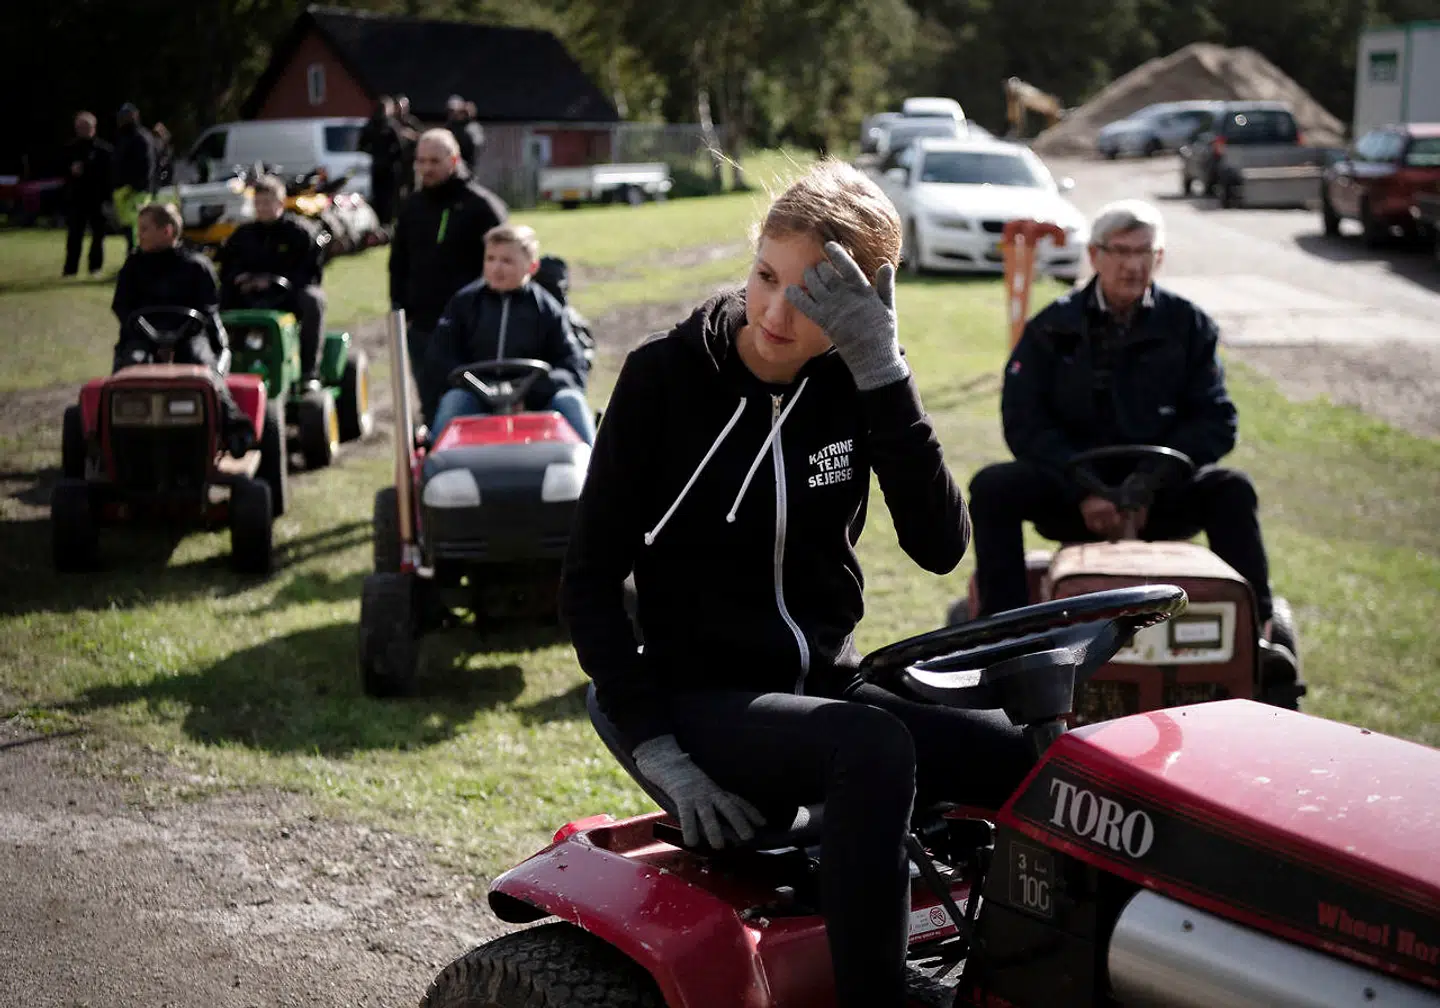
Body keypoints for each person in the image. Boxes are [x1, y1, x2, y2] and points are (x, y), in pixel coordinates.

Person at [559, 159, 1032, 1008]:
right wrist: (660, 745)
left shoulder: (856, 384)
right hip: (699, 696)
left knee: (1029, 752)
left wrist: (882, 367)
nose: (775, 312)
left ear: (861, 306)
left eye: (812, 297)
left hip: (822, 685)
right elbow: (588, 580)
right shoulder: (663, 378)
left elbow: (939, 547)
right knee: (870, 748)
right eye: (765, 277)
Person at [967, 199, 1293, 674]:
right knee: (994, 487)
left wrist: (1147, 485)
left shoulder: (1189, 326)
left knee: (1232, 489)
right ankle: (1008, 639)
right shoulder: (1051, 328)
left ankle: (1259, 639)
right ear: (1094, 256)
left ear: (1158, 259)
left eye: (1144, 252)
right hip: (1073, 497)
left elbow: (1217, 420)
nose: (1132, 264)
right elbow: (1024, 422)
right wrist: (1085, 489)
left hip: (1159, 498)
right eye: (1119, 251)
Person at [425, 224, 594, 444]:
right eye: (490, 259)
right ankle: (435, 469)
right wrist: (477, 387)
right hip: (474, 395)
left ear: (532, 266)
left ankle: (595, 471)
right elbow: (441, 356)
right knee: (454, 402)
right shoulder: (464, 304)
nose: (496, 268)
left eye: (507, 261)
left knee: (571, 401)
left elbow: (571, 363)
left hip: (534, 398)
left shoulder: (547, 309)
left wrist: (531, 392)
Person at [111, 203, 253, 455]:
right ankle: (111, 434)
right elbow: (122, 307)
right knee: (131, 366)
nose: (139, 234)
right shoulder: (133, 266)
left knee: (202, 366)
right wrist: (145, 331)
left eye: (145, 229)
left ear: (167, 231)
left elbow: (208, 309)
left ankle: (232, 424)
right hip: (142, 337)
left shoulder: (196, 266)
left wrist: (179, 336)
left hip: (189, 335)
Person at [388, 128, 508, 421]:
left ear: (453, 160)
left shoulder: (482, 207)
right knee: (432, 408)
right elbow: (398, 262)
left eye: (434, 161)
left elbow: (505, 264)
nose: (426, 168)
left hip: (472, 328)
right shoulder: (411, 207)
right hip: (424, 327)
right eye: (421, 161)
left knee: (474, 404)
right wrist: (401, 307)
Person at [217, 173, 328, 385]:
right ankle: (222, 363)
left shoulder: (300, 233)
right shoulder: (242, 235)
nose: (262, 208)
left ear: (281, 202)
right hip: (248, 294)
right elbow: (227, 268)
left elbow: (310, 272)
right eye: (258, 203)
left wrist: (275, 281)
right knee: (215, 301)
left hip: (288, 294)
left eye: (267, 202)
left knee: (313, 300)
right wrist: (241, 279)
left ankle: (309, 372)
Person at [62, 111, 113, 277]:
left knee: (98, 235)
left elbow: (109, 175)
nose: (82, 130)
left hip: (97, 199)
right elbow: (60, 173)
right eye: (79, 127)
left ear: (93, 127)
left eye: (85, 126)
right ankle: (70, 269)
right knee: (74, 236)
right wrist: (70, 171)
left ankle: (95, 267)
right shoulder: (70, 149)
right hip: (76, 199)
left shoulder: (104, 150)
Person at [112, 103, 157, 256]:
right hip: (124, 191)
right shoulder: (124, 137)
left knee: (137, 226)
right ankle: (134, 256)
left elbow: (146, 166)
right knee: (128, 227)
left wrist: (134, 187)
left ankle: (139, 257)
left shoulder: (140, 138)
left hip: (136, 191)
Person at [359, 96, 404, 228]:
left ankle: (383, 223)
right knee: (385, 197)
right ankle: (384, 223)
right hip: (384, 168)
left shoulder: (377, 124)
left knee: (383, 196)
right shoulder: (388, 125)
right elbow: (400, 147)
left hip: (382, 167)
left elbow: (362, 146)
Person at [445, 95, 477, 169]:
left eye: (456, 111)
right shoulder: (449, 126)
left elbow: (475, 145)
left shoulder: (472, 127)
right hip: (451, 164)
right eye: (450, 111)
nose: (453, 114)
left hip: (466, 165)